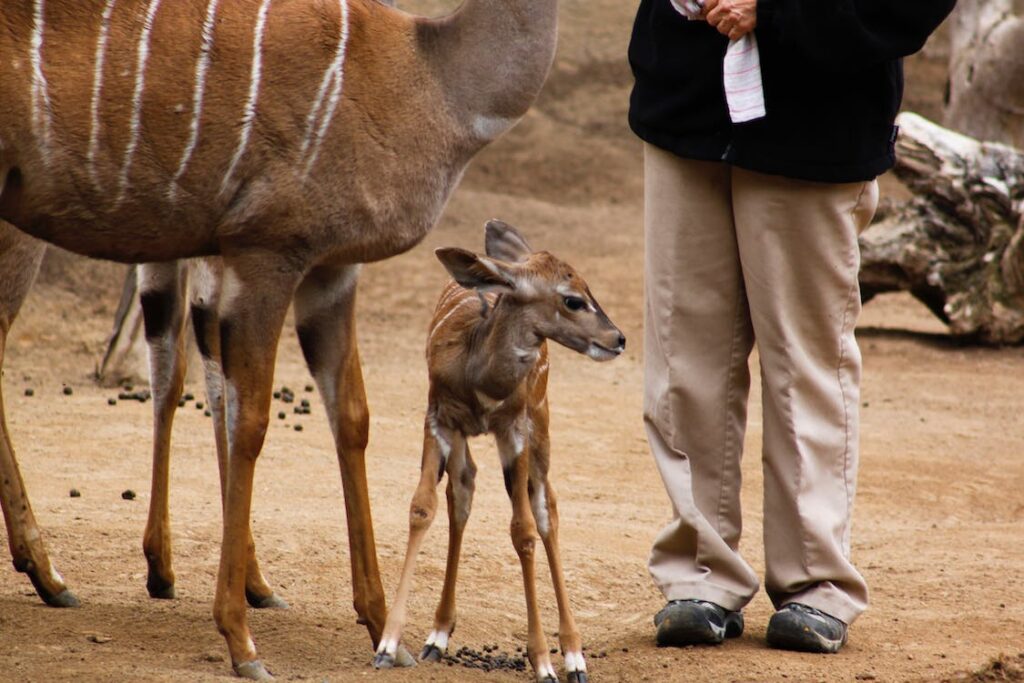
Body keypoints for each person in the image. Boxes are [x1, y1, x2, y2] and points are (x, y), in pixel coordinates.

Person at [629, 0, 956, 653]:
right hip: (685, 104)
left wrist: (775, 9)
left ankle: (816, 584)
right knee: (682, 360)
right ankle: (699, 575)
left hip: (818, 119)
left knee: (803, 363)